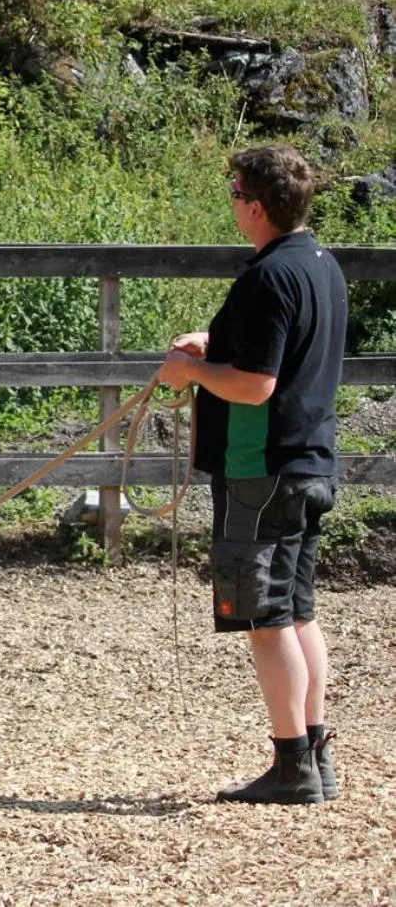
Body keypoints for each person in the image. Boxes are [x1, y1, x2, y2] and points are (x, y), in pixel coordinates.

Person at [156, 143, 347, 805]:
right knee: (298, 614)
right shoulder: (318, 264)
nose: (232, 202)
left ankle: (291, 763)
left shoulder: (268, 277)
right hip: (309, 460)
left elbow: (257, 384)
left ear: (257, 206)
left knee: (266, 621)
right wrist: (214, 345)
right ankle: (313, 753)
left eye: (235, 193)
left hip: (258, 468)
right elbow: (282, 351)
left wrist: (191, 372)